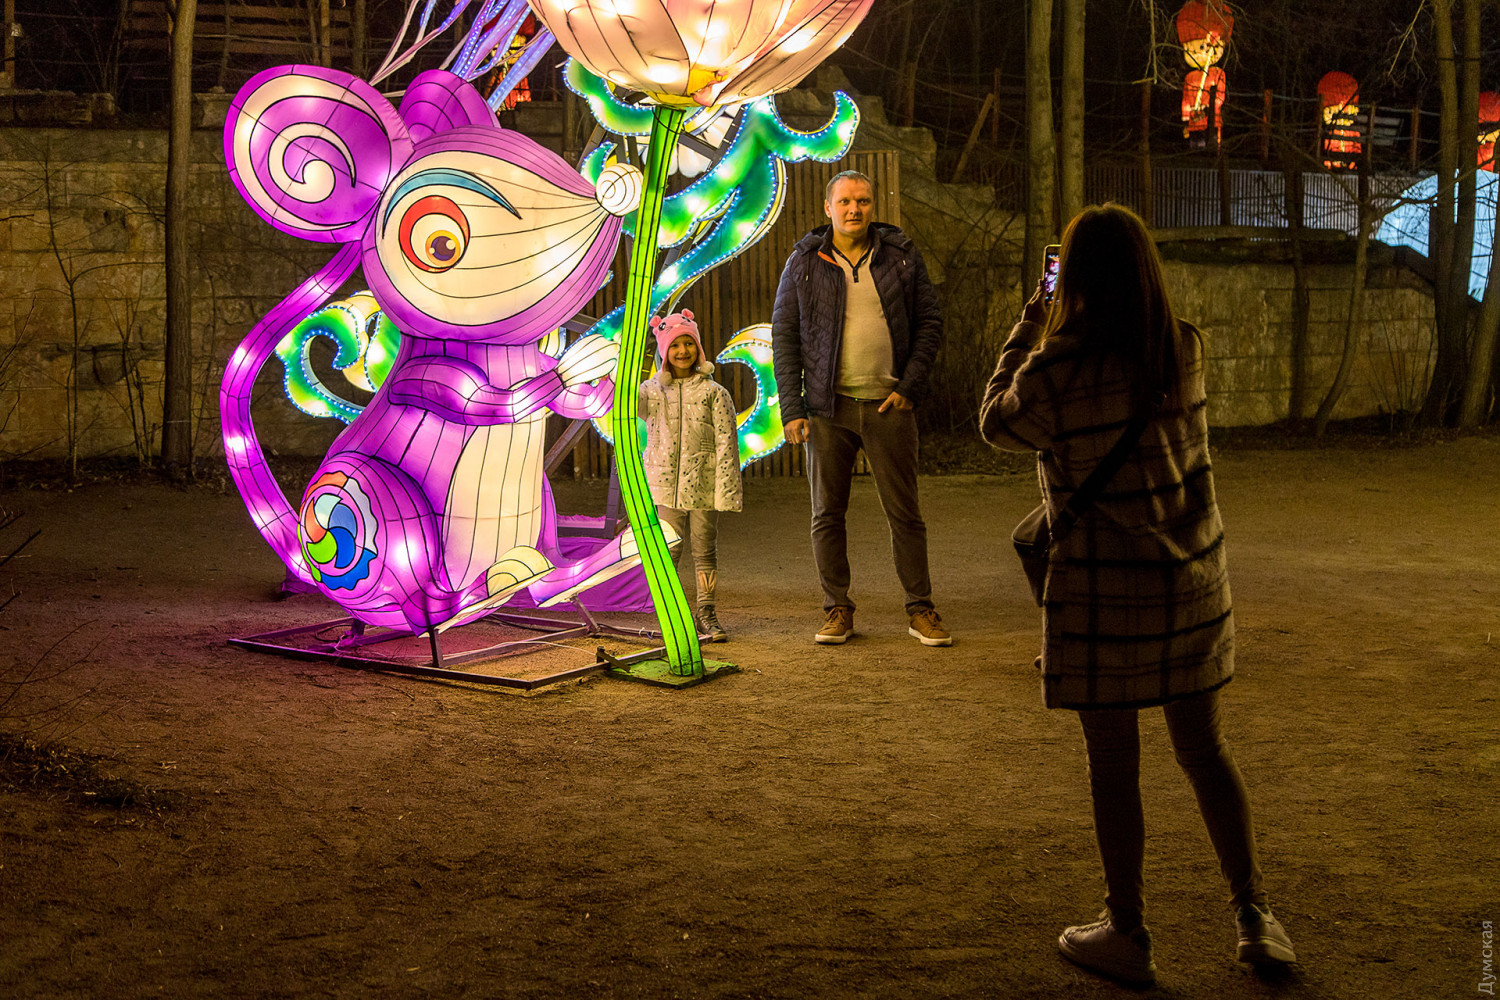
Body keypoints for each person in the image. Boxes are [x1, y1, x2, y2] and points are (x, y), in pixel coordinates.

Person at [979, 204, 1296, 986]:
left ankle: (1127, 929)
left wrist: (1029, 325)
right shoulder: (1182, 347)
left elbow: (994, 423)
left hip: (1103, 597)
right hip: (1190, 584)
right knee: (1206, 751)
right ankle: (1254, 915)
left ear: (1074, 279)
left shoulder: (1056, 368)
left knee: (1115, 764)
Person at [770, 169, 950, 647]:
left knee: (905, 514)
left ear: (874, 205)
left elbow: (929, 323)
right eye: (846, 201)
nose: (855, 209)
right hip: (828, 410)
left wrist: (910, 387)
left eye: (864, 201)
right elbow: (784, 337)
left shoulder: (901, 255)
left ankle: (920, 609)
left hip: (890, 406)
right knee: (827, 514)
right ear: (828, 208)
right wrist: (793, 408)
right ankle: (837, 609)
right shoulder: (804, 262)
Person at [640, 310, 742, 641]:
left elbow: (727, 444)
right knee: (669, 549)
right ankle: (671, 614)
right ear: (664, 351)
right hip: (665, 487)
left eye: (688, 344)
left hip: (703, 485)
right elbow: (623, 406)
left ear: (698, 348)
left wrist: (726, 491)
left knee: (705, 550)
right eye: (674, 345)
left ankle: (706, 613)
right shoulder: (651, 392)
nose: (682, 351)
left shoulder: (714, 393)